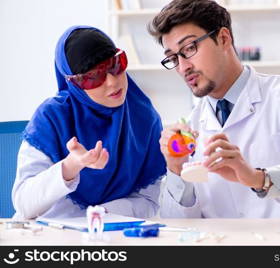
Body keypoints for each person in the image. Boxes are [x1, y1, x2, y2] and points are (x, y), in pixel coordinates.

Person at [148, 0, 280, 218]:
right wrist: (176, 170)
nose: (183, 67)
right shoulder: (189, 128)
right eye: (173, 58)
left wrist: (258, 178)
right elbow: (178, 227)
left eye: (190, 48)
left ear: (223, 38)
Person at [12, 25, 166, 219]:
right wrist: (70, 166)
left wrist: (101, 215)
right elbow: (24, 204)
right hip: (52, 235)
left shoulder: (144, 118)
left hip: (116, 233)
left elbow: (148, 200)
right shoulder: (52, 117)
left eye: (115, 65)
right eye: (93, 77)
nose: (112, 82)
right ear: (73, 83)